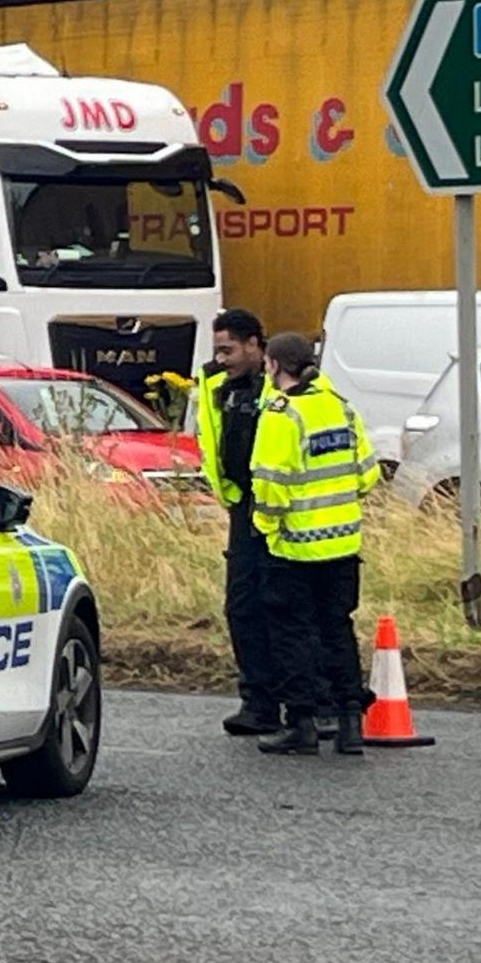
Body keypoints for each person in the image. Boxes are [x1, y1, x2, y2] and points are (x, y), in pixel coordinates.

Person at [249, 332, 382, 756]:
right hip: (342, 545)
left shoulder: (281, 415)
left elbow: (271, 485)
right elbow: (368, 474)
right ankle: (350, 724)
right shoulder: (341, 408)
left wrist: (265, 528)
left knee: (292, 635)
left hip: (293, 547)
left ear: (274, 366)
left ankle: (302, 724)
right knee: (337, 631)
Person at [196, 308, 279, 736]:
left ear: (254, 344)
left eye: (228, 349)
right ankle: (259, 702)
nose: (221, 358)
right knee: (243, 608)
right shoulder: (217, 387)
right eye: (217, 350)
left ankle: (312, 704)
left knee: (288, 609)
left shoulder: (283, 387)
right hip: (242, 508)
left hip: (283, 512)